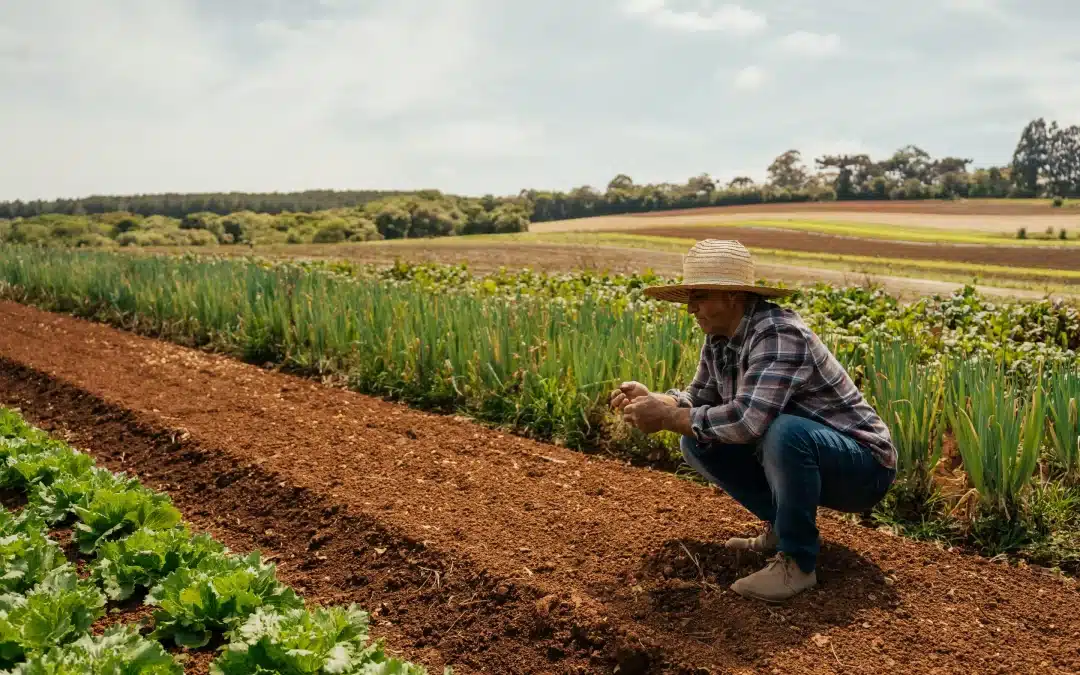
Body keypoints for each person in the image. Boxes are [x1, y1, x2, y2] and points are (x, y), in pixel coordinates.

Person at [610, 239, 896, 603]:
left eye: (699, 297)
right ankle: (781, 528)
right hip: (811, 458)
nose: (690, 310)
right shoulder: (720, 338)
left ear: (732, 297)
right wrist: (654, 400)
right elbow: (698, 399)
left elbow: (747, 422)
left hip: (864, 467)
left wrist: (666, 417)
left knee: (784, 431)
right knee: (697, 439)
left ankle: (798, 563)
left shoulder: (778, 333)